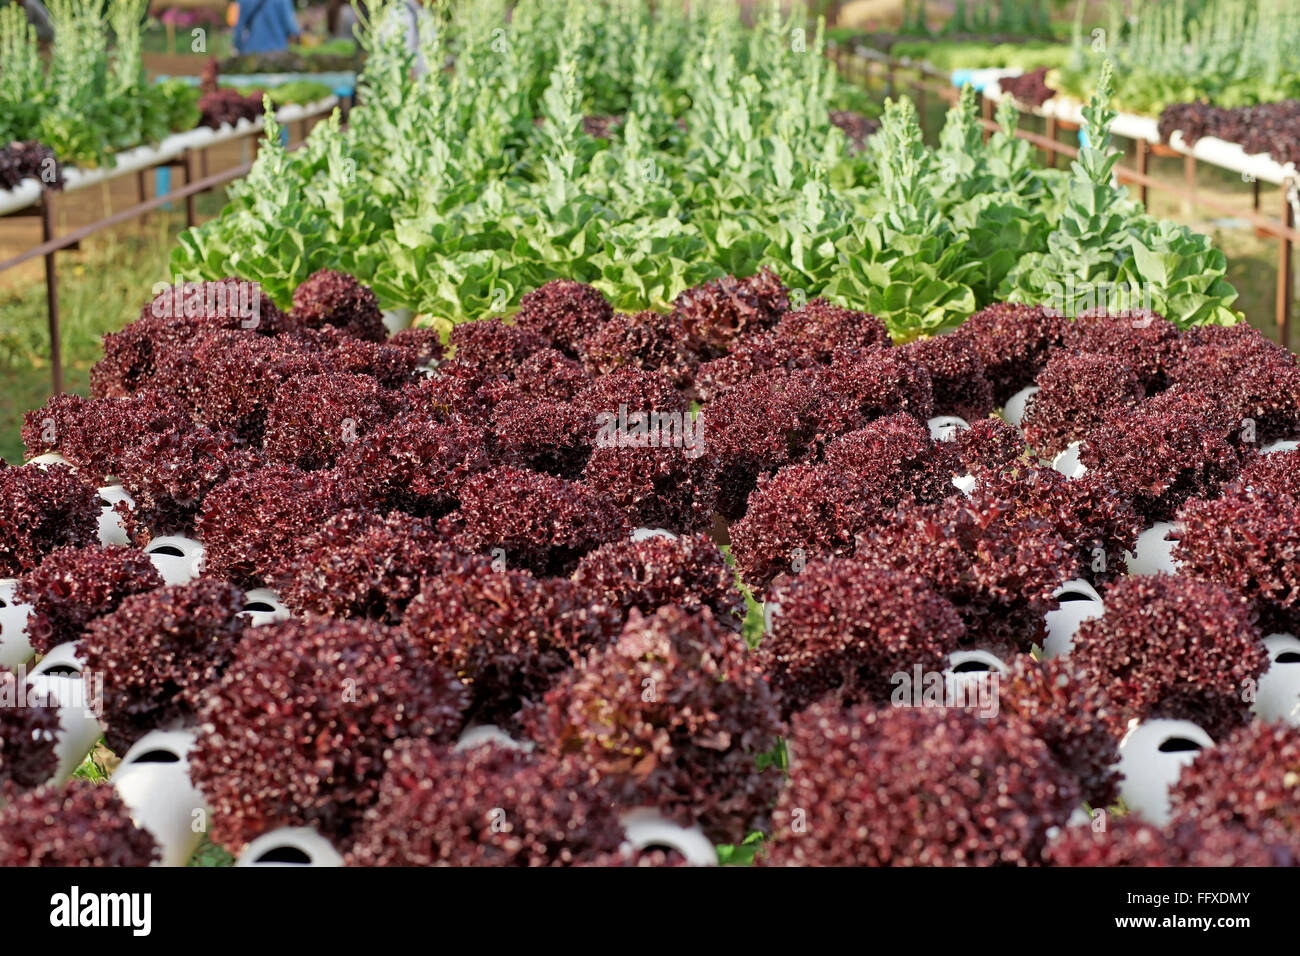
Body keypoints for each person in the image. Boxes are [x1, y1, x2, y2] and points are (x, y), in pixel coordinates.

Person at [232, 0, 300, 55]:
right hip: (277, 53)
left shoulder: (243, 1)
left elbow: (239, 29)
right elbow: (291, 28)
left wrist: (238, 46)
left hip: (251, 53)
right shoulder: (283, 1)